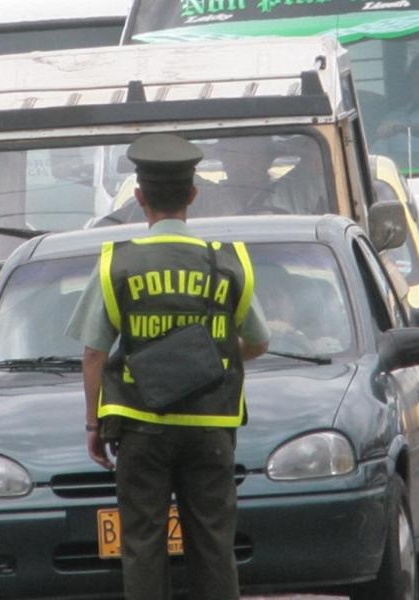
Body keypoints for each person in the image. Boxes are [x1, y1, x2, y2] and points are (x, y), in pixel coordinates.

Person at [66, 133, 269, 600]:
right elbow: (258, 342)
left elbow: (94, 354)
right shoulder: (229, 262)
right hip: (210, 425)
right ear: (193, 195)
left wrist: (95, 422)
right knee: (214, 543)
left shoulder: (116, 264)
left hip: (140, 426)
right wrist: (207, 359)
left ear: (139, 198)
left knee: (141, 543)